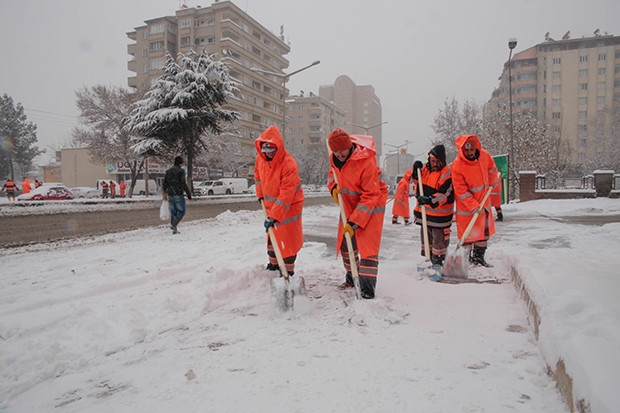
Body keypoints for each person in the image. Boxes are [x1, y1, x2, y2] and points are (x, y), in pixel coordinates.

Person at [327, 128, 388, 299]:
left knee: (367, 246)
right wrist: (333, 189)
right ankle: (352, 277)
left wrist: (355, 222)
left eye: (342, 150)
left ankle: (367, 289)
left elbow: (370, 195)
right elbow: (332, 175)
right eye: (336, 151)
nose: (339, 154)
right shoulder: (333, 159)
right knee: (346, 243)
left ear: (349, 147)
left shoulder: (365, 161)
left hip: (372, 204)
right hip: (349, 203)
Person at [254, 125, 304, 277]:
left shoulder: (288, 164)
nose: (268, 154)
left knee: (287, 240)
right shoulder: (260, 160)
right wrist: (260, 195)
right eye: (265, 150)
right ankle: (274, 266)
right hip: (271, 207)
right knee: (272, 237)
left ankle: (287, 272)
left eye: (271, 150)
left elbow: (286, 194)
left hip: (289, 208)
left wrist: (274, 216)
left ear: (278, 147)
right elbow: (257, 177)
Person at [451, 134, 500, 267]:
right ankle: (463, 260)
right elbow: (460, 189)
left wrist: (493, 180)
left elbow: (492, 168)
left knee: (483, 233)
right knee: (468, 235)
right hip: (467, 208)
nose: (470, 153)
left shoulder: (484, 156)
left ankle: (478, 257)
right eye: (467, 150)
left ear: (476, 148)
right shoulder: (458, 165)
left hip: (484, 203)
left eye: (472, 150)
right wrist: (473, 205)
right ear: (462, 150)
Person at [411, 144, 455, 269]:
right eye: (432, 160)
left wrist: (430, 200)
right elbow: (416, 182)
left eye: (437, 161)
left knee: (439, 242)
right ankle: (429, 261)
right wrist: (415, 171)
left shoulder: (446, 173)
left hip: (440, 217)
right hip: (425, 214)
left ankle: (439, 262)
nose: (434, 163)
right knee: (427, 241)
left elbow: (445, 193)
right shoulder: (425, 169)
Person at [162, 156, 192, 234]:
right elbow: (183, 183)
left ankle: (174, 229)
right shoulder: (180, 171)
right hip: (178, 194)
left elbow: (165, 184)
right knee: (182, 211)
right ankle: (174, 224)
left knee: (173, 212)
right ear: (180, 163)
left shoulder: (168, 171)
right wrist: (188, 194)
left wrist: (165, 192)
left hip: (170, 194)